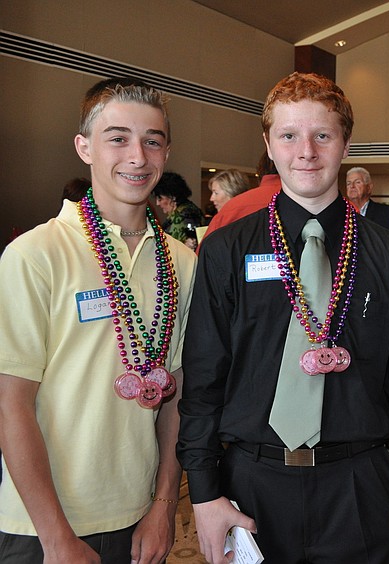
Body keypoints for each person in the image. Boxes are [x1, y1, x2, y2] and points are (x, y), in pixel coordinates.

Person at [177, 72, 389, 564]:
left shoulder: (387, 253)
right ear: (268, 143)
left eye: (322, 135)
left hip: (361, 483)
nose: (306, 151)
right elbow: (203, 379)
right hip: (253, 481)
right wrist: (202, 492)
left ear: (345, 142)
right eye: (289, 136)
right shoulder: (226, 249)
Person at [0, 77, 196, 563]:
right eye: (118, 138)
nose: (137, 156)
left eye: (152, 141)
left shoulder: (182, 263)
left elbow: (178, 394)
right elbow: (11, 406)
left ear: (166, 153)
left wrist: (163, 505)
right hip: (41, 524)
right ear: (84, 147)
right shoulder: (35, 254)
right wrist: (56, 538)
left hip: (137, 516)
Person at [201, 153, 281, 240]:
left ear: (231, 190)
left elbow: (203, 251)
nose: (211, 198)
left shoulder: (230, 211)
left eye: (216, 193)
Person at [346, 166, 389, 241]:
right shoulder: (341, 213)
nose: (352, 186)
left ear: (369, 187)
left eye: (357, 182)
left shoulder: (387, 213)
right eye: (348, 183)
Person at [152, 171, 204, 246]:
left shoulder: (185, 215)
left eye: (160, 199)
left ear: (173, 197)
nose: (157, 203)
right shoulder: (187, 210)